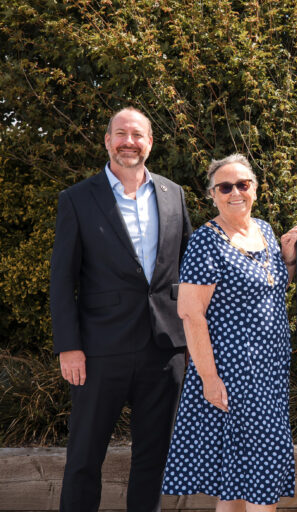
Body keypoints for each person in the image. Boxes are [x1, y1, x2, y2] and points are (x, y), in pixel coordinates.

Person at [50, 107, 192, 512]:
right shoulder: (77, 198)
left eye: (137, 135)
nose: (129, 142)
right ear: (107, 141)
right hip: (98, 352)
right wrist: (68, 347)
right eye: (120, 134)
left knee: (153, 459)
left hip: (163, 350)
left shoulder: (172, 193)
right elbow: (62, 280)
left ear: (150, 142)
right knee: (83, 459)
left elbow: (187, 269)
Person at [161, 154, 297, 512]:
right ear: (212, 194)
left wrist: (286, 261)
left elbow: (266, 291)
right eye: (225, 187)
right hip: (231, 374)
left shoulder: (265, 230)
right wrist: (209, 378)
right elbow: (190, 313)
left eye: (243, 184)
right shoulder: (206, 241)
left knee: (236, 482)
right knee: (259, 478)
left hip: (268, 373)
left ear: (255, 188)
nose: (235, 192)